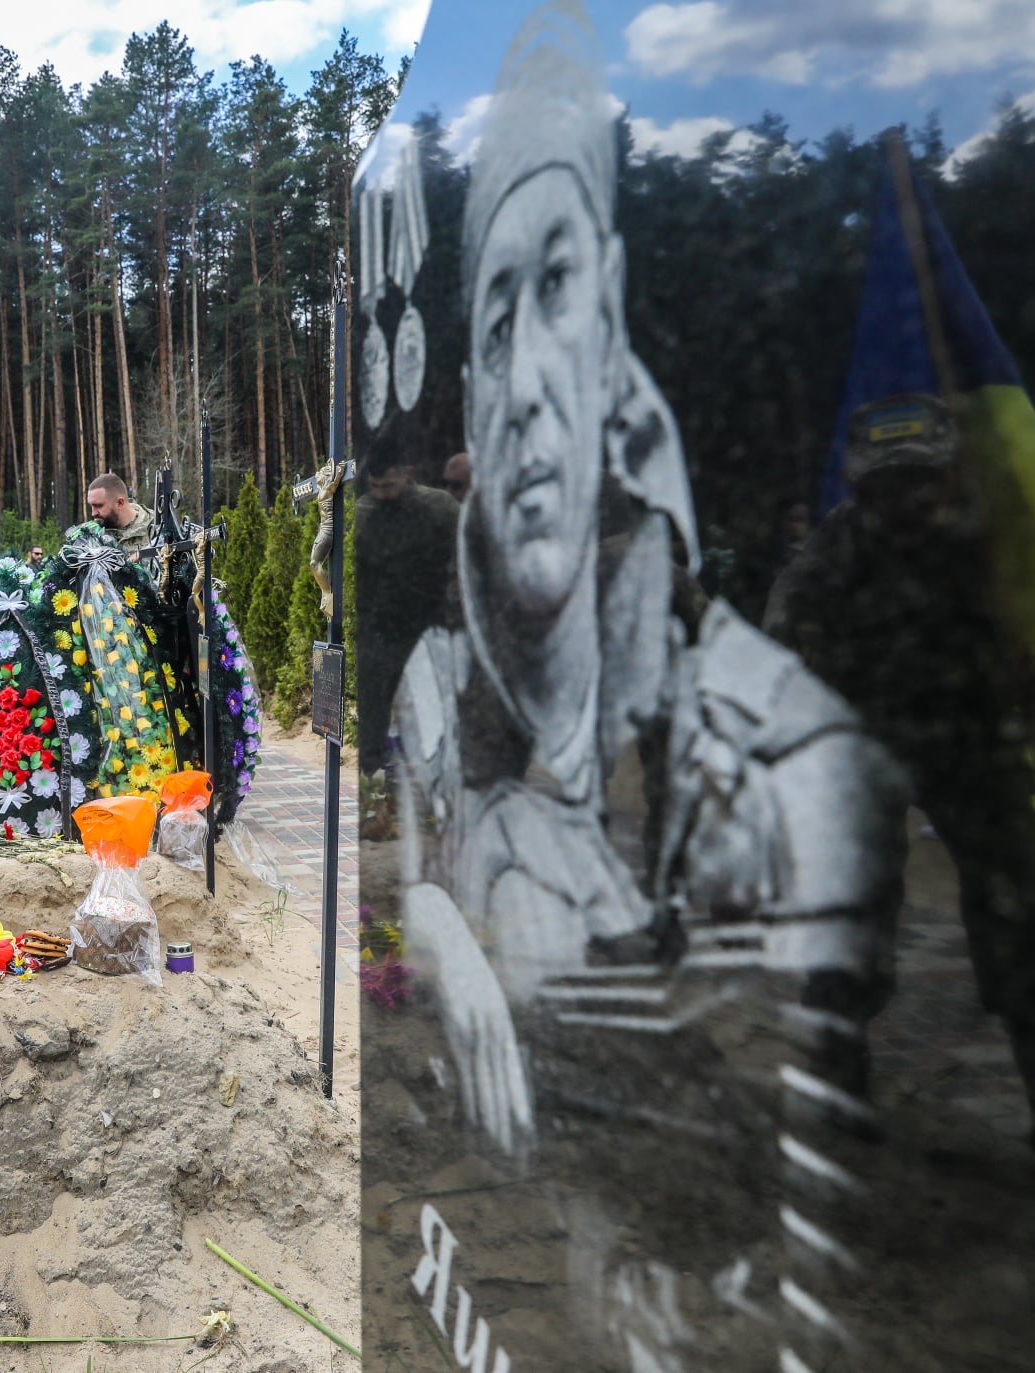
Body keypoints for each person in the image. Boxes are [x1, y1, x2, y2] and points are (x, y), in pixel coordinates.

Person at [383, 12, 907, 1363]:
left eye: (555, 286)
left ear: (611, 319)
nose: (528, 386)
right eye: (491, 322)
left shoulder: (788, 765)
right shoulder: (438, 704)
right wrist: (437, 921)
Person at [765, 394, 1035, 1121]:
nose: (903, 499)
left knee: (1018, 910)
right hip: (866, 742)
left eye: (919, 479)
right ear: (859, 487)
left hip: (976, 742)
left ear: (950, 472)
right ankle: (837, 1069)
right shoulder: (839, 543)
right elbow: (782, 639)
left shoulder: (996, 542)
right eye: (884, 485)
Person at [354, 456, 459, 779]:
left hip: (429, 621)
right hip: (379, 626)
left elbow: (465, 558)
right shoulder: (364, 510)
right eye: (375, 487)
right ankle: (372, 774)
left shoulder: (440, 507)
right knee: (374, 701)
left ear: (407, 472)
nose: (382, 493)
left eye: (389, 485)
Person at [84, 474, 154, 557]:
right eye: (91, 506)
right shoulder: (89, 533)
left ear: (120, 503)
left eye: (99, 506)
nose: (93, 513)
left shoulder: (157, 526)